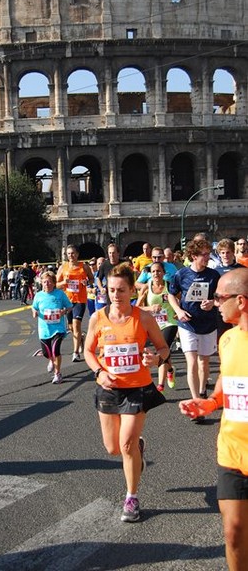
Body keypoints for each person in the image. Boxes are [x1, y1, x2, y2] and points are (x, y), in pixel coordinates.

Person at [84, 263, 168, 522]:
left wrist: (156, 359)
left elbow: (163, 348)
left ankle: (131, 497)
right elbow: (88, 351)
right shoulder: (98, 318)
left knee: (126, 443)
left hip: (137, 389)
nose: (115, 295)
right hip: (108, 389)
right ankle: (138, 452)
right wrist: (99, 372)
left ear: (132, 290)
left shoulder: (143, 317)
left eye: (121, 290)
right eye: (111, 290)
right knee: (112, 448)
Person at [179, 267, 248, 571]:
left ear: (241, 301)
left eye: (221, 297)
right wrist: (208, 403)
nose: (216, 302)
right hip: (232, 452)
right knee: (233, 534)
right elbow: (225, 384)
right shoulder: (228, 339)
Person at [168, 239, 220, 417]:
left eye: (208, 254)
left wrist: (213, 303)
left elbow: (221, 298)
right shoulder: (182, 274)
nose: (207, 257)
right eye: (204, 254)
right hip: (187, 323)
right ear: (193, 256)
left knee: (203, 362)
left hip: (208, 323)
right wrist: (178, 310)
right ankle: (196, 401)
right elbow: (171, 295)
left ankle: (203, 388)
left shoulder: (214, 275)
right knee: (191, 362)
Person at [136, 261, 178, 391]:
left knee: (161, 349)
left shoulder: (169, 286)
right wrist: (150, 308)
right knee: (165, 350)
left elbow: (179, 299)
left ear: (164, 273)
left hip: (170, 322)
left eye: (158, 271)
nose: (156, 274)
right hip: (154, 325)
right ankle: (170, 369)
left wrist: (178, 310)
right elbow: (137, 307)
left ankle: (160, 385)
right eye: (153, 271)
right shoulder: (146, 287)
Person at [32, 271, 73, 384]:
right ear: (41, 283)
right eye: (45, 282)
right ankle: (51, 360)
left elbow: (69, 307)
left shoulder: (59, 294)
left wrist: (63, 311)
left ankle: (57, 374)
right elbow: (34, 307)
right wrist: (34, 312)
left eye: (49, 282)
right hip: (44, 329)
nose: (47, 284)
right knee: (47, 353)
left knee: (56, 350)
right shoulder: (38, 295)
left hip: (58, 329)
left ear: (54, 283)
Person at [56, 244, 94, 362]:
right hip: (67, 301)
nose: (71, 256)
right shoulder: (63, 267)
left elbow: (91, 279)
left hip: (80, 300)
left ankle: (75, 352)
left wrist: (86, 282)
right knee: (71, 327)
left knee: (76, 325)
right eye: (68, 254)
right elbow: (56, 284)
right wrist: (64, 283)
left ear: (77, 254)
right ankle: (81, 338)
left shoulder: (84, 266)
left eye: (73, 253)